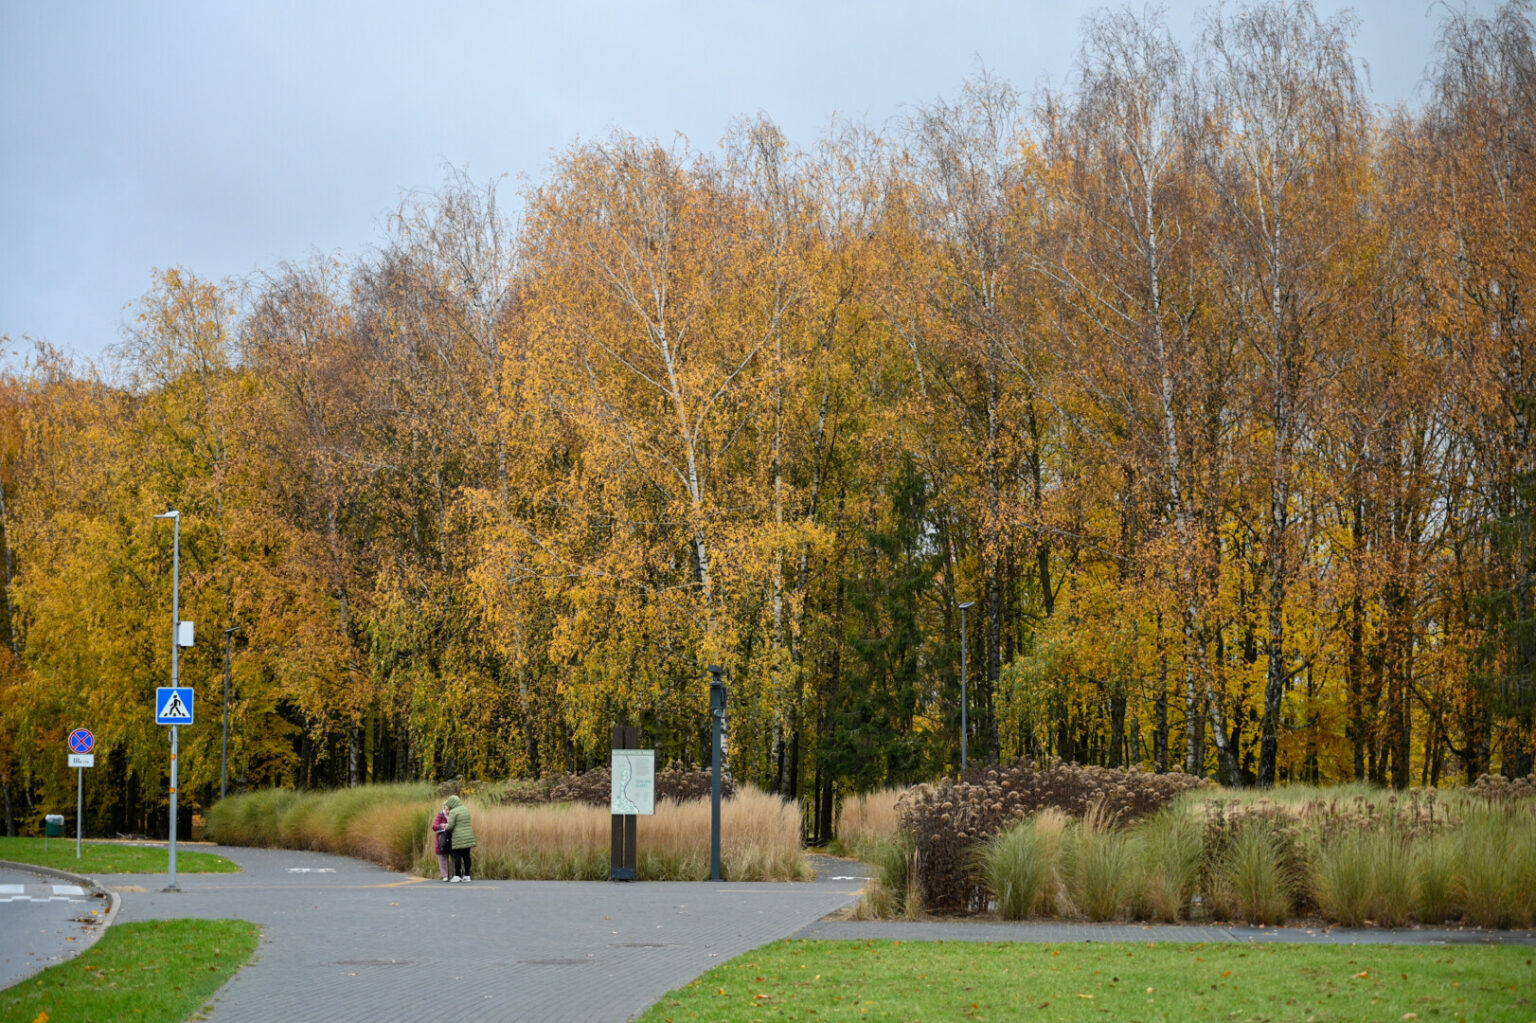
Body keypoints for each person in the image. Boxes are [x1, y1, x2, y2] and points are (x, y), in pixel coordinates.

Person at [443, 794, 476, 882]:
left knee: (457, 857)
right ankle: (467, 875)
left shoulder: (453, 811)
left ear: (452, 803)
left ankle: (457, 875)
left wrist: (446, 829)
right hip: (468, 836)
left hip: (458, 837)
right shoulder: (465, 809)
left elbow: (451, 826)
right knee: (467, 857)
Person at [431, 803, 453, 882]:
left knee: (455, 856)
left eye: (449, 809)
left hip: (452, 839)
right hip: (442, 839)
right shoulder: (440, 815)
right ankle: (445, 876)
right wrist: (441, 826)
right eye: (446, 809)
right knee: (442, 857)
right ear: (444, 808)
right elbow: (434, 827)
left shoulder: (454, 815)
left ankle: (455, 874)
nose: (448, 811)